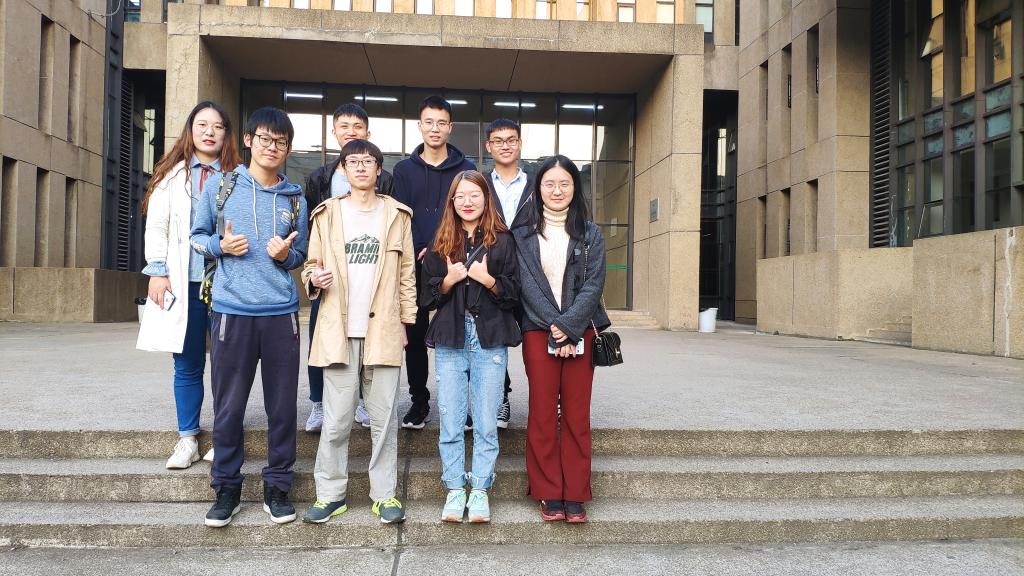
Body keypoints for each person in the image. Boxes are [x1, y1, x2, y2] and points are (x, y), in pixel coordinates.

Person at [190, 107, 309, 528]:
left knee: (282, 408)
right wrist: (220, 247)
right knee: (228, 408)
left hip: (280, 315)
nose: (271, 147)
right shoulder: (221, 187)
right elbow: (196, 238)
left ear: (288, 148)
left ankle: (278, 486)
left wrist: (287, 256)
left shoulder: (295, 198)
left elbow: (301, 254)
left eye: (280, 142)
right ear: (248, 140)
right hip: (231, 312)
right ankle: (226, 487)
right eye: (264, 139)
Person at [300, 140, 416, 525]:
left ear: (379, 169)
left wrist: (406, 322)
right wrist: (313, 278)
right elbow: (311, 265)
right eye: (354, 162)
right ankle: (330, 494)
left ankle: (384, 495)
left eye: (368, 162)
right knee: (336, 420)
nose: (361, 167)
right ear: (343, 169)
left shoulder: (397, 215)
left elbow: (407, 275)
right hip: (339, 330)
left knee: (384, 419)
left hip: (384, 329)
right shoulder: (327, 214)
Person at [136, 101, 240, 469]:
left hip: (226, 283)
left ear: (226, 134)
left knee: (229, 365)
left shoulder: (237, 177)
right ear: (190, 130)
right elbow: (157, 226)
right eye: (202, 125)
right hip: (185, 283)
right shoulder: (171, 175)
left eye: (217, 126)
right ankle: (187, 439)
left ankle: (224, 438)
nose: (209, 132)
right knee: (187, 362)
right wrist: (157, 271)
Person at [512, 155, 609, 524]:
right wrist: (557, 328)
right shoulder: (522, 235)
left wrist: (570, 327)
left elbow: (594, 285)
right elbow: (527, 287)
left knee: (576, 415)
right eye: (549, 183)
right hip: (539, 331)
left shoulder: (591, 233)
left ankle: (576, 493)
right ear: (538, 188)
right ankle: (548, 490)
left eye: (564, 183)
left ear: (574, 188)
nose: (557, 190)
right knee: (541, 414)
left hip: (581, 330)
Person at [420, 170, 520, 523]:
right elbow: (425, 297)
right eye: (460, 195)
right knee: (450, 417)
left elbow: (515, 295)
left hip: (489, 337)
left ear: (486, 198)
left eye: (474, 195)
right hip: (451, 336)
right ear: (452, 201)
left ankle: (479, 488)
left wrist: (488, 280)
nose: (467, 201)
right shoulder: (441, 241)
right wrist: (447, 281)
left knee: (486, 419)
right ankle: (453, 488)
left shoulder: (503, 240)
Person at [303, 103, 396, 433]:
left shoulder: (384, 178)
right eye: (344, 126)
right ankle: (318, 402)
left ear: (367, 133)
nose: (351, 132)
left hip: (369, 272)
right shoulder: (319, 178)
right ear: (334, 132)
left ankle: (362, 402)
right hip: (331, 277)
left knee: (369, 340)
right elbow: (313, 225)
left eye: (358, 126)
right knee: (322, 339)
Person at [392, 95, 476, 430]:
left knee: (459, 333)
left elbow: (470, 212)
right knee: (414, 335)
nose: (435, 128)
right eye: (429, 122)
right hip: (413, 263)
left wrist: (440, 249)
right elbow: (400, 217)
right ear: (420, 125)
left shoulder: (466, 168)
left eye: (441, 122)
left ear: (450, 127)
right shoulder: (403, 170)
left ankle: (460, 404)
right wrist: (420, 248)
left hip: (454, 262)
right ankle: (419, 401)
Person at [482, 118, 535, 429]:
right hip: (494, 273)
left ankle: (548, 400)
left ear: (520, 144)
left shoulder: (536, 184)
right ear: (489, 146)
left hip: (532, 273)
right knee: (495, 338)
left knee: (536, 337)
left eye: (511, 139)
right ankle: (501, 398)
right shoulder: (479, 184)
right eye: (498, 140)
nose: (505, 145)